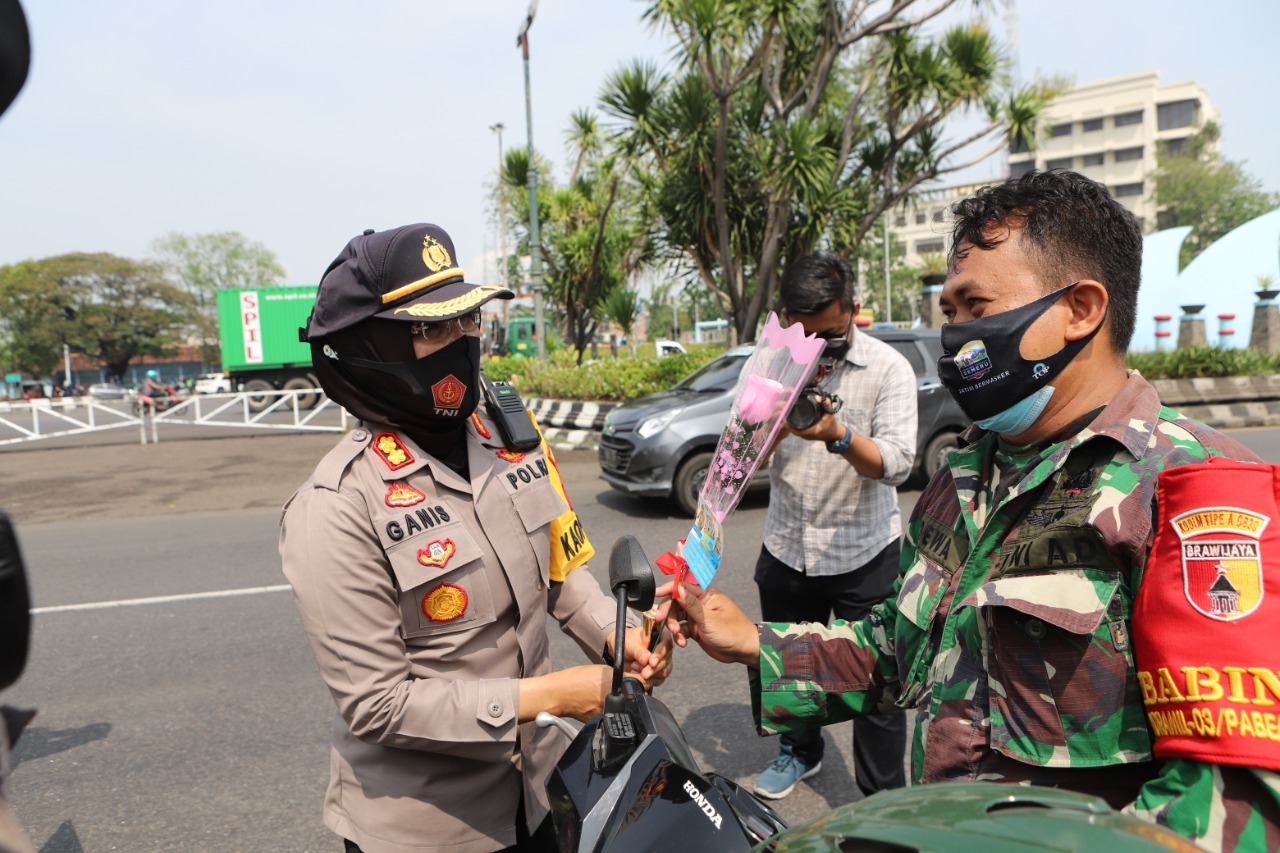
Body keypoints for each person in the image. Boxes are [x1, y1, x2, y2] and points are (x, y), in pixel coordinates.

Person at [658, 170, 1280, 852]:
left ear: (1081, 308)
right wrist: (752, 643)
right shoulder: (962, 476)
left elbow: (1232, 804)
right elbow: (897, 656)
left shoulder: (1196, 490)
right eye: (948, 313)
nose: (953, 337)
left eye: (974, 307)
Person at [280, 223, 670, 853]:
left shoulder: (504, 436)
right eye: (432, 329)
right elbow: (378, 705)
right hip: (432, 828)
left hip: (545, 793)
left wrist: (613, 634)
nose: (462, 343)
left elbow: (557, 569)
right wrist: (553, 695)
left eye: (468, 322)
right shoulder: (335, 506)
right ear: (368, 347)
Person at [749, 253, 916, 800]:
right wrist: (774, 421)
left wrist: (837, 435)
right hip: (787, 544)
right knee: (789, 666)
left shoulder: (889, 368)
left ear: (854, 310)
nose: (819, 346)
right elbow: (745, 448)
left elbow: (896, 464)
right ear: (784, 317)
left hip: (864, 552)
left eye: (831, 333)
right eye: (806, 336)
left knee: (876, 680)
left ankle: (882, 797)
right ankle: (800, 752)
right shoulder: (771, 358)